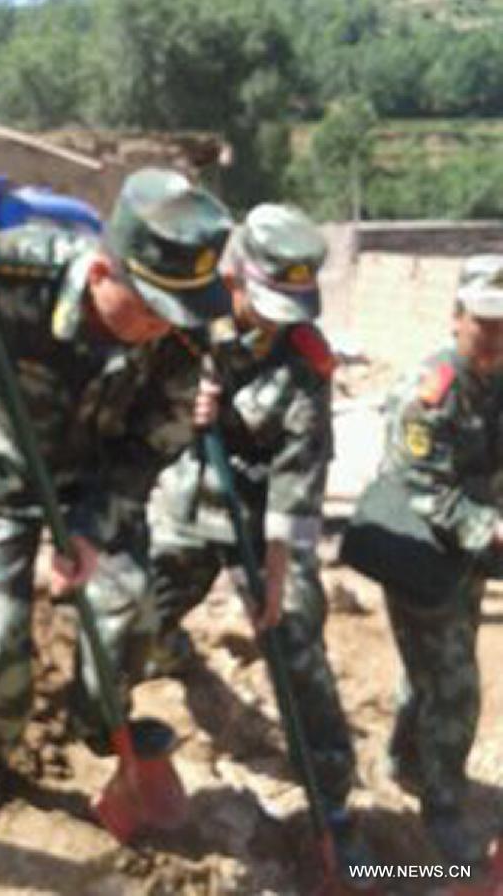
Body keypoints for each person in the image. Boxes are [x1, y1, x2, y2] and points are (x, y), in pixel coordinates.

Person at [0, 167, 232, 825]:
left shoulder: (183, 326)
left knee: (129, 606)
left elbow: (153, 443)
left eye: (175, 313)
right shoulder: (9, 276)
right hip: (5, 477)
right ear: (102, 272)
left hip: (100, 481)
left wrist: (88, 531)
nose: (164, 328)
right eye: (149, 309)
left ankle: (99, 719)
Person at [145, 204, 366, 869]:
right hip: (185, 495)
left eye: (287, 307)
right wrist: (183, 410)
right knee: (130, 615)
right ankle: (158, 658)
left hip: (262, 512)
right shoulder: (180, 318)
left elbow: (299, 478)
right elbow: (126, 415)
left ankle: (331, 805)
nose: (273, 320)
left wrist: (271, 581)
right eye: (263, 301)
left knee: (295, 630)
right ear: (233, 276)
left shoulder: (304, 361)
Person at [377, 254, 503, 867]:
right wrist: (495, 529)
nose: (497, 337)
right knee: (454, 686)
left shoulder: (497, 381)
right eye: (486, 323)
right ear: (456, 318)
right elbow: (423, 493)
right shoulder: (429, 394)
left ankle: (405, 760)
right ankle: (444, 805)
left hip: (469, 555)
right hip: (417, 549)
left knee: (429, 670)